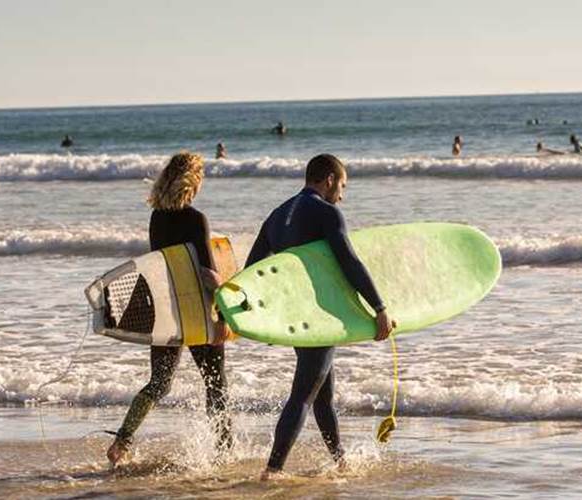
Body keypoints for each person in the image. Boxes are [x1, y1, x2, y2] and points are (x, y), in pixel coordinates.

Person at [244, 154, 394, 480]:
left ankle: (339, 459)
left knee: (322, 394)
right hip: (320, 315)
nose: (342, 194)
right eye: (341, 186)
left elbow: (252, 272)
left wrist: (265, 318)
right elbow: (349, 262)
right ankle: (273, 469)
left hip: (295, 316)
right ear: (328, 180)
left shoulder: (277, 215)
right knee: (303, 395)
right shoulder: (328, 213)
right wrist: (379, 308)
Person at [106, 152, 233, 466]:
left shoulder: (157, 218)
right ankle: (223, 450)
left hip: (165, 309)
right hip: (197, 311)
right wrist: (222, 314)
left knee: (159, 383)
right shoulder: (195, 218)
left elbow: (163, 265)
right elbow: (207, 273)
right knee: (215, 382)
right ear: (192, 181)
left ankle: (122, 442)